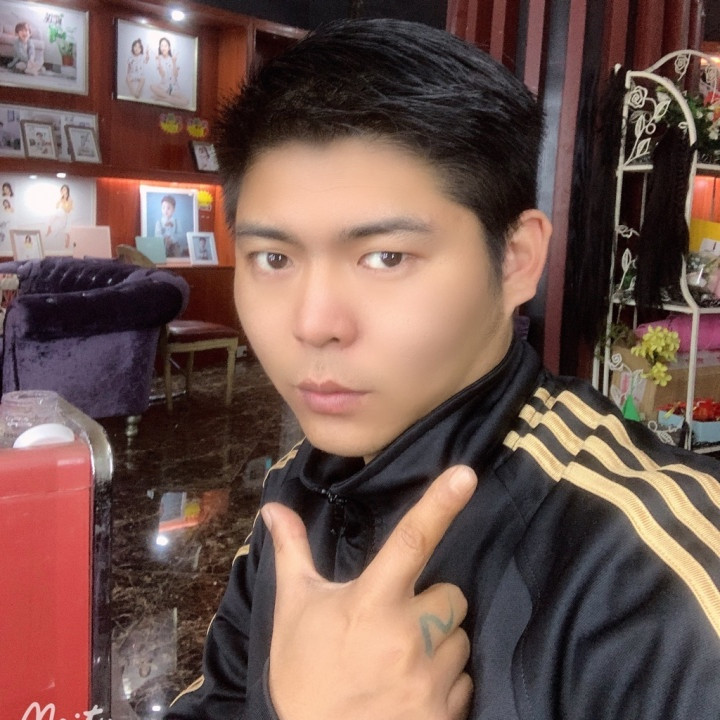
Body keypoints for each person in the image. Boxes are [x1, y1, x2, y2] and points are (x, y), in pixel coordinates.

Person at [165, 18, 720, 720]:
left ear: (516, 260)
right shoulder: (296, 490)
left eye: (385, 257)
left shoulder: (654, 577)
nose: (313, 323)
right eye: (273, 258)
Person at [150, 37, 189, 107]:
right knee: (152, 86)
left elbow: (176, 76)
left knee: (186, 101)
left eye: (165, 46)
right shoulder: (158, 58)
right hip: (163, 86)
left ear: (169, 48)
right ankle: (170, 98)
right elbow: (162, 74)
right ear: (160, 47)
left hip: (173, 87)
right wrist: (159, 61)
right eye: (162, 46)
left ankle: (161, 98)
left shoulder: (173, 58)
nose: (163, 48)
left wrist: (174, 62)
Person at [46, 184, 73, 248]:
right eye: (62, 189)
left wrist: (63, 207)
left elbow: (68, 210)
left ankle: (67, 244)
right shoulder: (61, 199)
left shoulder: (69, 199)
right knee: (53, 216)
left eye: (64, 189)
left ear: (67, 191)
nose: (63, 191)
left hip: (66, 216)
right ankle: (49, 228)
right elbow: (57, 206)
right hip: (60, 216)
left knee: (66, 233)